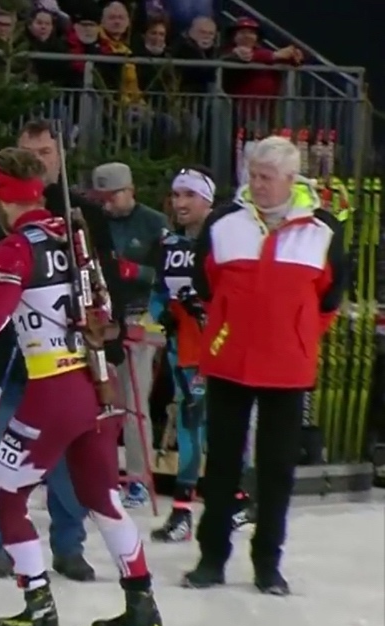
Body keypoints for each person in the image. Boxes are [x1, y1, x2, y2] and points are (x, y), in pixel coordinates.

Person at [0, 147, 162, 626]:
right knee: (102, 498)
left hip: (53, 388)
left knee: (7, 496)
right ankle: (142, 607)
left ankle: (38, 607)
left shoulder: (15, 246)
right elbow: (105, 302)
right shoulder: (73, 234)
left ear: (0, 198)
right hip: (93, 384)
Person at [185, 135, 346, 596]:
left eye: (266, 178)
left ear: (291, 181)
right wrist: (227, 328)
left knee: (277, 469)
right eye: (252, 176)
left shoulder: (323, 230)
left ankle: (267, 564)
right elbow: (206, 283)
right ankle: (211, 558)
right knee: (221, 465)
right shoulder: (224, 223)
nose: (257, 185)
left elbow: (330, 297)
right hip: (229, 361)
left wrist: (295, 335)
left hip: (287, 368)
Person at [90, 162, 170, 508]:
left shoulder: (153, 223)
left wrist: (135, 271)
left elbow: (169, 273)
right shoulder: (96, 222)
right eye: (102, 198)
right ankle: (101, 475)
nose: (107, 205)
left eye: (113, 197)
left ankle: (137, 477)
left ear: (130, 190)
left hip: (141, 318)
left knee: (135, 405)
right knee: (102, 402)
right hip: (102, 318)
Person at [148, 166, 213, 542]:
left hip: (221, 352)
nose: (180, 202)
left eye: (189, 195)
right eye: (176, 195)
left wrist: (204, 310)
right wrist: (165, 317)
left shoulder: (223, 242)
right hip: (183, 352)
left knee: (220, 428)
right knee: (190, 426)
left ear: (207, 200)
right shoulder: (170, 246)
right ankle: (182, 512)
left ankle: (235, 500)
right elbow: (158, 293)